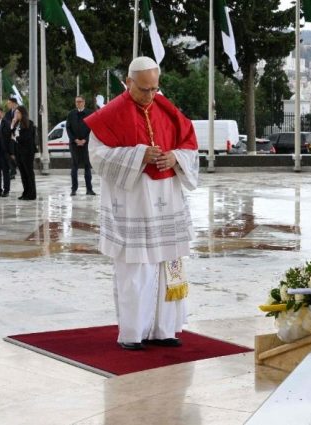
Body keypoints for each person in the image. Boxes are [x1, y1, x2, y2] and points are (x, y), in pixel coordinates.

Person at [86, 56, 199, 351]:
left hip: (168, 199)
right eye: (144, 89)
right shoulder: (111, 114)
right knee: (136, 268)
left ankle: (165, 329)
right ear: (128, 82)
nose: (150, 95)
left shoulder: (166, 108)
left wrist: (174, 158)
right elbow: (97, 156)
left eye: (154, 89)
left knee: (169, 264)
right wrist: (138, 155)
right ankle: (133, 333)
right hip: (133, 201)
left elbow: (189, 145)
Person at [66, 95, 95, 196]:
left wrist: (85, 140)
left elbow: (93, 129)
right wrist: (75, 140)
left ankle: (89, 189)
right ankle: (73, 189)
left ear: (84, 102)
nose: (78, 103)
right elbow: (68, 128)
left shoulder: (90, 113)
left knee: (87, 166)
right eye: (76, 102)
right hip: (74, 144)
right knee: (74, 166)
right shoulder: (71, 114)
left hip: (86, 144)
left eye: (80, 101)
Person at [11, 105, 37, 200]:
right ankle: (25, 192)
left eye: (18, 112)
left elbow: (26, 137)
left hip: (27, 152)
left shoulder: (29, 123)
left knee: (28, 173)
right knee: (22, 173)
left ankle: (32, 193)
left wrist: (16, 138)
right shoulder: (17, 124)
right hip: (18, 151)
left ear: (23, 113)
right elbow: (11, 134)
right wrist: (12, 124)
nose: (16, 114)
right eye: (15, 113)